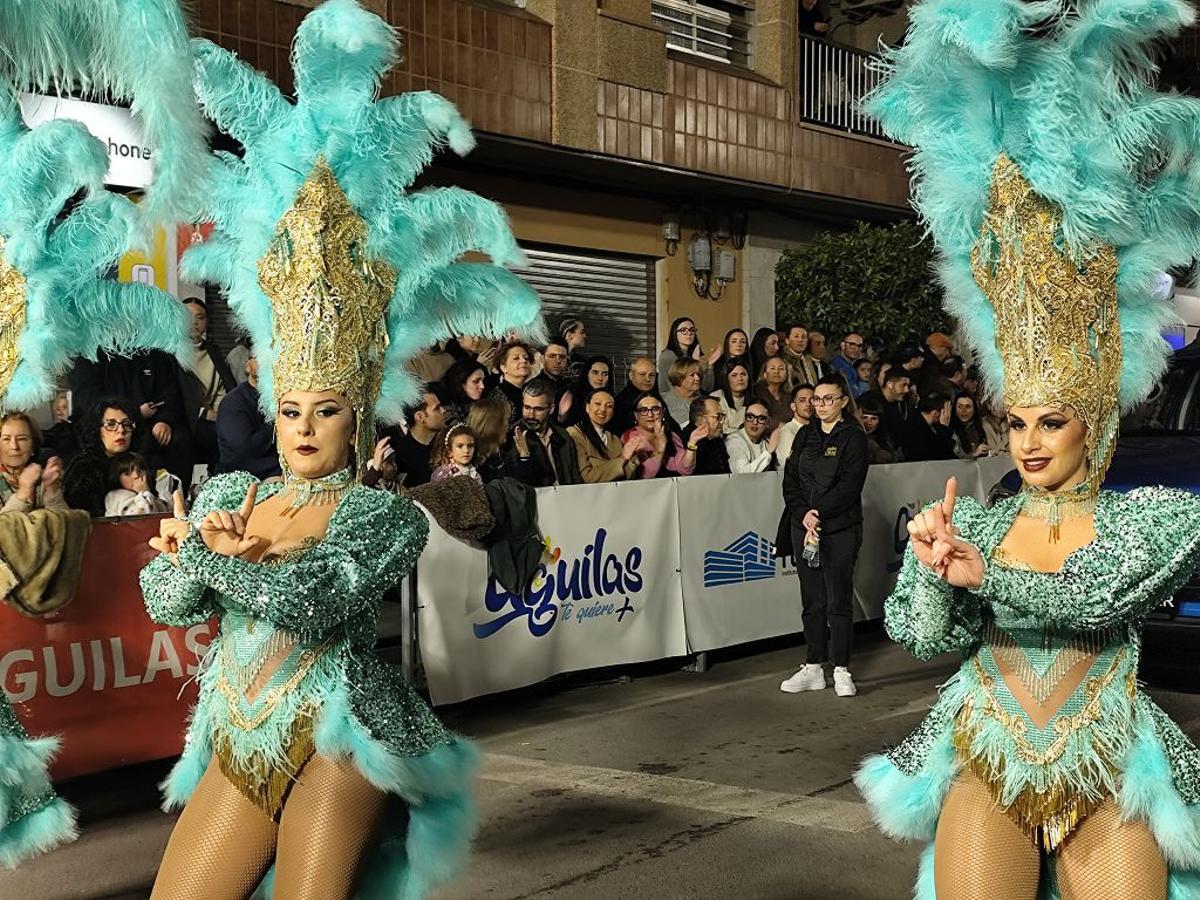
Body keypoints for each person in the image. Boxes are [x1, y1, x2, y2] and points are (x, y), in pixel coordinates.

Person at [136, 3, 550, 892]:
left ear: (355, 419)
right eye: (290, 410)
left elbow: (311, 601)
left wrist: (210, 560)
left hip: (342, 735)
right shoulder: (231, 497)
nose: (303, 427)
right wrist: (186, 559)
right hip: (240, 728)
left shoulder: (379, 516)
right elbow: (164, 601)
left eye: (324, 411)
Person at [855, 3, 1200, 895]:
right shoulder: (984, 521)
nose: (1029, 442)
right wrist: (931, 565)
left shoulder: (1154, 519)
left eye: (1052, 422)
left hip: (1108, 756)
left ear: (1095, 422)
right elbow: (921, 638)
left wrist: (984, 574)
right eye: (1017, 422)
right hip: (987, 751)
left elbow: (1091, 599)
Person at [780, 374, 869, 698]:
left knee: (838, 600)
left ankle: (841, 668)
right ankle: (813, 666)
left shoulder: (853, 438)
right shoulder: (805, 435)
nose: (820, 405)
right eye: (816, 399)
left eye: (828, 399)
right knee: (812, 599)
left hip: (839, 528)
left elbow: (849, 486)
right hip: (803, 527)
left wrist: (818, 513)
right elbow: (790, 480)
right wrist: (803, 513)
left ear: (843, 401)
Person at [63, 398, 146, 516]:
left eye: (127, 424)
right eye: (111, 424)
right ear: (97, 430)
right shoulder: (84, 467)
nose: (121, 430)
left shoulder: (138, 462)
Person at [181, 297, 238, 468]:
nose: (194, 322)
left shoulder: (213, 351)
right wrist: (203, 413)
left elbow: (224, 388)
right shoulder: (170, 353)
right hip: (186, 418)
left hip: (215, 416)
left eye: (200, 317)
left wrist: (223, 413)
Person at [216, 352, 281, 479]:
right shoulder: (234, 401)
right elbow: (245, 450)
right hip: (243, 476)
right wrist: (278, 423)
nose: (265, 361)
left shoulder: (285, 398)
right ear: (248, 366)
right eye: (258, 356)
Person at [368, 386, 447, 490]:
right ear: (420, 417)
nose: (443, 410)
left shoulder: (447, 445)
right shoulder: (398, 453)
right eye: (437, 408)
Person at [505, 381, 581, 487]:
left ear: (551, 409)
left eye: (538, 409)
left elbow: (575, 478)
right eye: (527, 407)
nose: (531, 415)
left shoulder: (563, 435)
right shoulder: (512, 437)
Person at [567, 389, 640, 483]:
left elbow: (624, 478)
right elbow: (586, 477)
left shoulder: (615, 440)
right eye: (597, 404)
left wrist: (634, 460)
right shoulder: (574, 434)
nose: (603, 409)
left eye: (609, 406)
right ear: (587, 407)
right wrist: (622, 459)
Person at [0, 412, 68, 512]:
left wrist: (51, 488)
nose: (14, 446)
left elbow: (64, 520)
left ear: (33, 445)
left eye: (22, 439)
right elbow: (4, 522)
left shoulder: (44, 476)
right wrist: (23, 492)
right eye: (6, 439)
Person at [622, 393, 698, 478]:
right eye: (643, 410)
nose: (650, 415)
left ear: (662, 412)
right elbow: (646, 476)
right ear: (636, 415)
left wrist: (692, 443)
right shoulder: (631, 436)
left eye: (655, 409)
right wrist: (660, 447)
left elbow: (685, 470)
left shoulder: (672, 435)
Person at [861, 368, 914, 457]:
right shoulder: (868, 401)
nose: (907, 390)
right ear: (889, 384)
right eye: (903, 385)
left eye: (908, 386)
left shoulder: (899, 403)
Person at [658, 316, 718, 395]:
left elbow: (707, 388)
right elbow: (675, 387)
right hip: (674, 399)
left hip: (697, 398)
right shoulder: (667, 356)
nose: (689, 333)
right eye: (683, 330)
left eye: (692, 330)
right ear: (675, 334)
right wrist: (696, 364)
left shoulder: (698, 355)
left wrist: (709, 365)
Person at [467, 395, 518, 483]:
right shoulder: (469, 462)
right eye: (506, 420)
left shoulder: (503, 456)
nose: (509, 427)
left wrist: (524, 456)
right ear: (493, 425)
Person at [104, 451, 170, 516]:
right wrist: (144, 492)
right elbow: (141, 518)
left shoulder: (150, 494)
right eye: (127, 473)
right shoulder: (115, 496)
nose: (136, 476)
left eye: (140, 471)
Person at [900, 390, 957, 462]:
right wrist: (943, 429)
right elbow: (939, 454)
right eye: (946, 412)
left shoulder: (932, 426)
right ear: (935, 413)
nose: (948, 415)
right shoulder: (913, 428)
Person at [558, 355, 613, 427]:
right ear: (587, 374)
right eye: (595, 373)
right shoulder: (573, 393)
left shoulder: (611, 398)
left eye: (605, 374)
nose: (600, 378)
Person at [725, 401, 780, 473]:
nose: (755, 422)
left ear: (768, 422)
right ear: (744, 419)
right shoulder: (734, 441)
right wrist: (768, 452)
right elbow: (742, 475)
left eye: (761, 418)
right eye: (750, 417)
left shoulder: (766, 441)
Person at [613, 356, 660, 434]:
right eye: (642, 374)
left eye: (652, 375)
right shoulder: (620, 402)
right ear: (631, 376)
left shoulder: (658, 398)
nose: (648, 379)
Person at [685, 397, 730, 475]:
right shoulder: (684, 440)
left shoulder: (717, 440)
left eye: (723, 416)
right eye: (718, 417)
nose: (722, 422)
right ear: (701, 420)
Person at [491, 341, 534, 423]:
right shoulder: (497, 399)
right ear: (503, 367)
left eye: (526, 358)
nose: (523, 361)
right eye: (516, 358)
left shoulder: (530, 392)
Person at [441, 358, 488, 425]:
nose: (482, 386)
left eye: (483, 381)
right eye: (476, 381)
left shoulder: (488, 401)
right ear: (461, 383)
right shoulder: (448, 411)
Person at [776, 383, 815, 464]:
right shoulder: (787, 431)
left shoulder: (818, 428)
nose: (808, 404)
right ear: (793, 406)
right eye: (802, 400)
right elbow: (787, 464)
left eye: (812, 400)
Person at [711, 357, 751, 435]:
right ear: (726, 378)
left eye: (743, 374)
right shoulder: (716, 398)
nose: (740, 378)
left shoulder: (755, 399)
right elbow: (720, 430)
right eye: (734, 375)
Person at [663, 357, 703, 427]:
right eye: (692, 375)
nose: (697, 378)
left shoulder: (702, 400)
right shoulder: (666, 402)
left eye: (698, 374)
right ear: (679, 378)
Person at [857, 395, 898, 464]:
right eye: (865, 417)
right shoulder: (852, 439)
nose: (869, 422)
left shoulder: (885, 440)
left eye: (874, 418)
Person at [754, 356, 793, 426]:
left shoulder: (789, 396)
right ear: (764, 374)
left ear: (786, 374)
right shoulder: (756, 392)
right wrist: (778, 425)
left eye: (781, 369)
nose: (777, 371)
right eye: (772, 368)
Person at [952, 392, 990, 459]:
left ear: (974, 410)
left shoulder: (982, 426)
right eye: (959, 407)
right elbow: (955, 457)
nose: (963, 411)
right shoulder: (951, 429)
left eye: (968, 406)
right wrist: (974, 454)